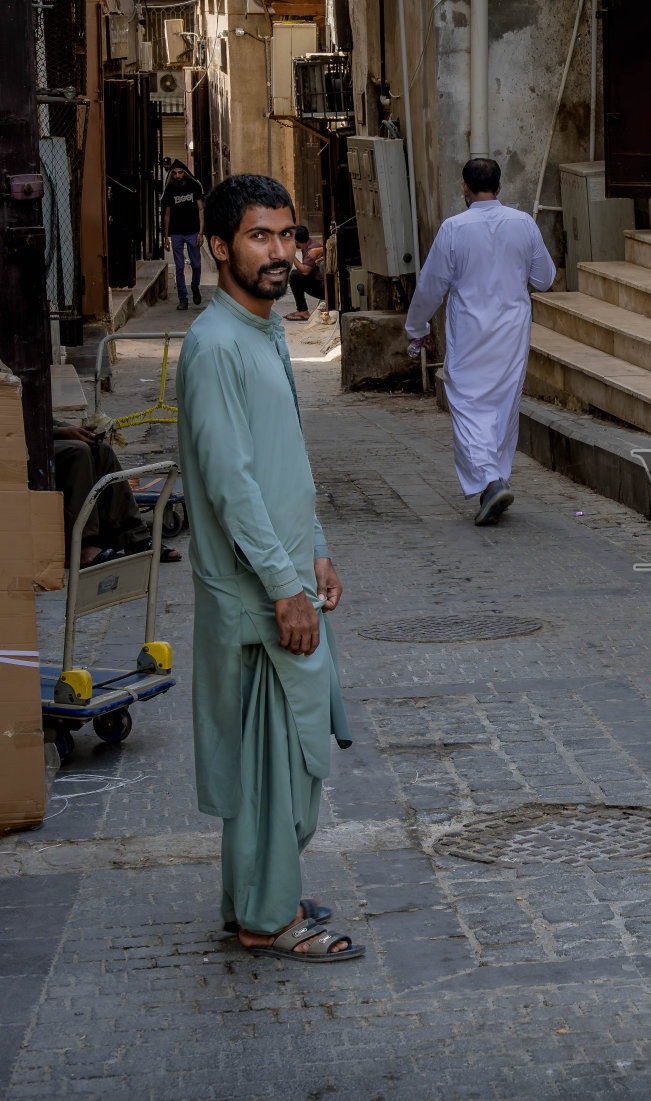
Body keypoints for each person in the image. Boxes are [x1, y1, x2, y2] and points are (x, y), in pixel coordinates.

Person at [176, 173, 361, 963]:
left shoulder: (261, 331)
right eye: (261, 236)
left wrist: (314, 544)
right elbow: (231, 484)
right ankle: (269, 919)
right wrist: (285, 585)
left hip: (284, 576)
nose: (281, 252)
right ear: (220, 246)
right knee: (272, 768)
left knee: (271, 764)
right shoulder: (216, 345)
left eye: (287, 235)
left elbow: (283, 463)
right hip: (256, 597)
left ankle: (254, 899)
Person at [404, 157, 556, 525]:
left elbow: (430, 284)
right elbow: (545, 278)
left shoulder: (454, 228)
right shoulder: (524, 224)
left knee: (469, 407)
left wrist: (417, 326)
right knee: (503, 405)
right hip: (512, 331)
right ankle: (495, 478)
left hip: (471, 331)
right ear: (500, 187)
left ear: (465, 189)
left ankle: (490, 481)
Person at [50, 421, 156, 565]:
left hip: (35, 431)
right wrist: (60, 432)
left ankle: (133, 537)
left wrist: (75, 430)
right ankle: (81, 546)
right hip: (20, 445)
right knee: (78, 451)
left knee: (101, 449)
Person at [160, 161, 206, 310]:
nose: (177, 176)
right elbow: (166, 215)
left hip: (193, 232)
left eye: (180, 173)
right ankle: (183, 298)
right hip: (177, 233)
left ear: (185, 172)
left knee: (196, 264)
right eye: (174, 173)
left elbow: (201, 209)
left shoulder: (194, 186)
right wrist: (165, 237)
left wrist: (201, 232)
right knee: (179, 267)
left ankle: (195, 286)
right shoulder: (170, 190)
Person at [284, 225, 326, 322]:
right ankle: (301, 310)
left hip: (323, 288)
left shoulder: (312, 248)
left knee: (294, 276)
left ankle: (303, 311)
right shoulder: (308, 245)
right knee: (296, 274)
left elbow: (305, 271)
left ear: (296, 241)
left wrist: (292, 256)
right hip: (319, 284)